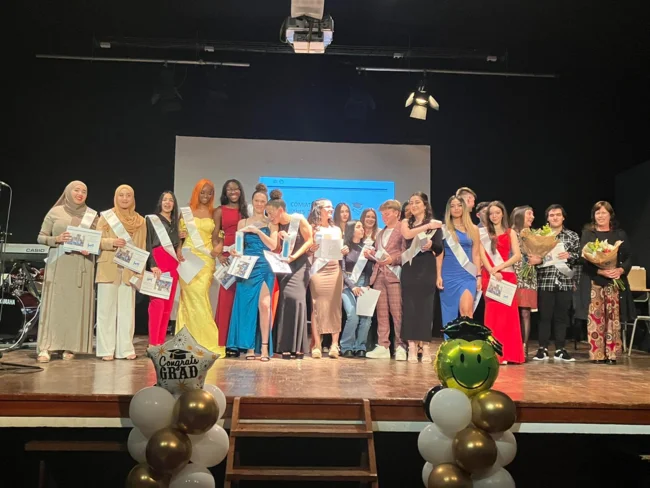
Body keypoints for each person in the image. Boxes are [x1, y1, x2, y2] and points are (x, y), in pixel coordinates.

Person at [36, 181, 97, 362]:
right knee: (54, 306)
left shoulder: (92, 215)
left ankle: (70, 346)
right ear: (68, 192)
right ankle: (46, 347)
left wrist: (90, 248)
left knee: (75, 307)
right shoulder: (55, 212)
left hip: (81, 265)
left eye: (84, 191)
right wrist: (56, 238)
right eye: (76, 190)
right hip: (59, 264)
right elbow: (41, 237)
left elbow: (97, 240)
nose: (80, 194)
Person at [577, 201, 635, 364]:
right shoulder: (588, 234)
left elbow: (629, 257)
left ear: (610, 215)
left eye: (603, 213)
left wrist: (620, 270)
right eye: (597, 213)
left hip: (614, 281)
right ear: (593, 215)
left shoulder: (619, 234)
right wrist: (600, 271)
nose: (600, 216)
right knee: (596, 317)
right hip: (595, 281)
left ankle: (611, 353)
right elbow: (583, 259)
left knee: (613, 317)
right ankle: (597, 354)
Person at [96, 184, 147, 361]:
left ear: (133, 198)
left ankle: (125, 349)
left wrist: (139, 272)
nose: (125, 198)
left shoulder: (140, 221)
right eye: (121, 195)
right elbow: (96, 240)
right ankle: (106, 350)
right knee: (106, 310)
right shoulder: (106, 217)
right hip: (108, 266)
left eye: (128, 195)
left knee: (127, 311)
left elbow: (141, 247)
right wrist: (111, 242)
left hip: (129, 269)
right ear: (116, 197)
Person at [226, 184, 277, 361]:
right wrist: (235, 252)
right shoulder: (243, 223)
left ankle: (264, 347)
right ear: (252, 202)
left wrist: (257, 231)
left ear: (266, 204)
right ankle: (249, 347)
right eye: (257, 200)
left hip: (264, 266)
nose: (259, 204)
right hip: (247, 266)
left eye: (263, 201)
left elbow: (273, 245)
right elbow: (240, 246)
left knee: (264, 305)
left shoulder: (271, 223)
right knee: (247, 307)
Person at [177, 179, 222, 355]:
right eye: (202, 192)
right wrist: (178, 248)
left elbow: (217, 236)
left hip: (206, 259)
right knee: (188, 299)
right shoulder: (185, 212)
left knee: (200, 296)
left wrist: (219, 246)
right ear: (196, 192)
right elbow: (179, 237)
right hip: (188, 258)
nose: (206, 196)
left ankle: (207, 341)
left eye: (209, 193)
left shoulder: (214, 213)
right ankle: (186, 341)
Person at [267, 190, 313, 358]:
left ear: (280, 210)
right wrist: (280, 238)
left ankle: (298, 345)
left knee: (297, 299)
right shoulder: (275, 226)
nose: (269, 217)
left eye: (271, 213)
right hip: (284, 266)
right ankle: (284, 345)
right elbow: (276, 249)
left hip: (300, 265)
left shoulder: (298, 219)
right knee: (285, 299)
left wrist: (295, 256)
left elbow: (310, 240)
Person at [533, 204, 580, 362]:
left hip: (565, 281)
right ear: (547, 218)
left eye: (558, 215)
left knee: (562, 317)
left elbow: (578, 256)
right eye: (552, 215)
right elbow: (533, 255)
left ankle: (560, 348)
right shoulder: (540, 235)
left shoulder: (572, 236)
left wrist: (569, 255)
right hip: (545, 280)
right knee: (544, 317)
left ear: (563, 217)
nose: (555, 218)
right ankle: (542, 348)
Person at [400, 192, 444, 362]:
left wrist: (431, 245)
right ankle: (411, 346)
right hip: (410, 267)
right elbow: (407, 235)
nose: (414, 205)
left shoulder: (435, 225)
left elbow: (439, 249)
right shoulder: (406, 222)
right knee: (410, 307)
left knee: (426, 308)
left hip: (427, 267)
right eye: (411, 202)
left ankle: (425, 346)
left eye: (417, 202)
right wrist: (427, 227)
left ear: (425, 205)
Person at [479, 201, 524, 364]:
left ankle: (510, 354)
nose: (494, 216)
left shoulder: (510, 232)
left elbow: (517, 255)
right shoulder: (483, 234)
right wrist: (492, 270)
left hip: (507, 276)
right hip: (490, 276)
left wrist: (500, 267)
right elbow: (481, 254)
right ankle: (495, 355)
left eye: (497, 213)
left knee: (508, 317)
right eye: (491, 213)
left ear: (503, 214)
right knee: (493, 316)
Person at [365, 200, 407, 360]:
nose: (384, 217)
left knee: (397, 313)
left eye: (387, 214)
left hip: (394, 275)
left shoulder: (402, 229)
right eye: (382, 214)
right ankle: (383, 345)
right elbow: (379, 253)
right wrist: (371, 254)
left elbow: (406, 252)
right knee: (381, 313)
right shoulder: (380, 233)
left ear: (397, 213)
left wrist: (393, 259)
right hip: (379, 275)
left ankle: (401, 346)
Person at [213, 179, 249, 358]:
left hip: (244, 258)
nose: (233, 192)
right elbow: (215, 236)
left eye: (236, 189)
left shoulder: (246, 211)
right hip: (227, 258)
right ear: (225, 192)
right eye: (229, 189)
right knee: (226, 299)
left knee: (241, 300)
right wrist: (219, 255)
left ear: (240, 191)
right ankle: (224, 342)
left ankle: (240, 341)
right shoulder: (220, 211)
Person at [146, 191, 185, 347]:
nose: (167, 203)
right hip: (158, 262)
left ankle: (160, 343)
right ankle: (152, 343)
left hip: (172, 264)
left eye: (171, 200)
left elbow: (176, 247)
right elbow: (148, 243)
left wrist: (181, 239)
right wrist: (152, 264)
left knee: (168, 306)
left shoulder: (175, 224)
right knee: (157, 304)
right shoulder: (152, 220)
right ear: (160, 202)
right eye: (165, 200)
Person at [307, 199, 344, 359]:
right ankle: (317, 344)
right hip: (319, 271)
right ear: (319, 209)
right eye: (327, 207)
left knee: (335, 306)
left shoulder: (337, 229)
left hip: (334, 270)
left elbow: (340, 250)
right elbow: (307, 251)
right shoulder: (312, 228)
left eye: (331, 207)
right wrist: (311, 249)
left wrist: (344, 250)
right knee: (317, 306)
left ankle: (335, 344)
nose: (331, 209)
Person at [437, 196, 481, 326]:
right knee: (449, 315)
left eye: (459, 205)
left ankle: (466, 338)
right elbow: (439, 254)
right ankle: (451, 339)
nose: (456, 208)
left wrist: (478, 276)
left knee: (466, 312)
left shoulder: (473, 229)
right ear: (449, 210)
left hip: (467, 275)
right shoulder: (443, 229)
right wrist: (438, 275)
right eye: (452, 206)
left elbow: (476, 254)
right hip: (449, 275)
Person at [339, 220, 374, 358]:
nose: (362, 229)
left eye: (362, 227)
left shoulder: (366, 248)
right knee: (352, 314)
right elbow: (341, 271)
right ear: (351, 230)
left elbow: (368, 270)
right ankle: (346, 346)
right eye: (358, 227)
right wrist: (352, 286)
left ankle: (360, 346)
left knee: (366, 317)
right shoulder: (344, 247)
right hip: (347, 284)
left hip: (363, 282)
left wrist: (367, 284)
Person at [510, 205, 540, 360]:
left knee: (525, 313)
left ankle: (524, 347)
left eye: (533, 214)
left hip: (528, 278)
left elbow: (541, 254)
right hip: (511, 276)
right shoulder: (510, 233)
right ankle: (511, 346)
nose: (532, 217)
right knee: (511, 313)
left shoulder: (533, 235)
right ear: (520, 215)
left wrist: (539, 259)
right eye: (529, 214)